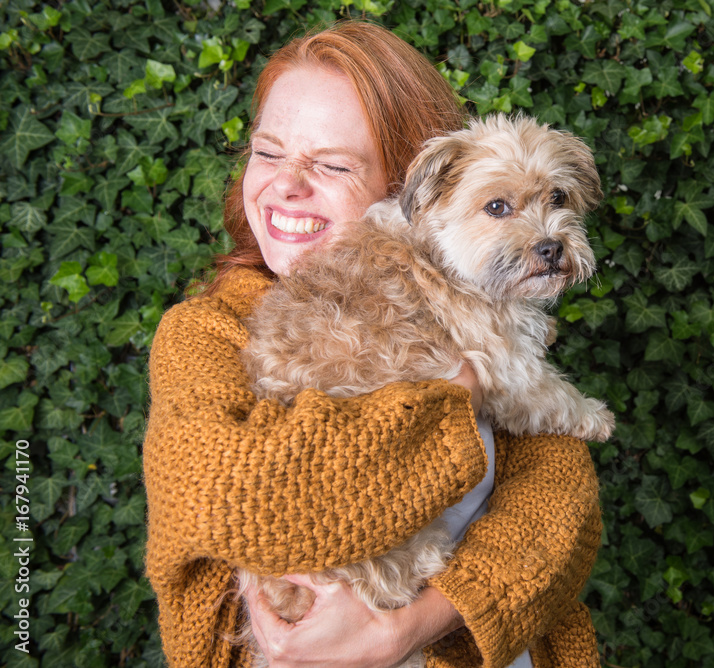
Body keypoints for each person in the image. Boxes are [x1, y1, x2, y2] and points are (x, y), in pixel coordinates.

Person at [142, 19, 603, 668]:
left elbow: (563, 511)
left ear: (409, 189)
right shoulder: (202, 335)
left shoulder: (472, 299)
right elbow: (247, 505)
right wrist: (460, 393)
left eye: (330, 164)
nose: (286, 184)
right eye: (268, 152)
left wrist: (413, 624)